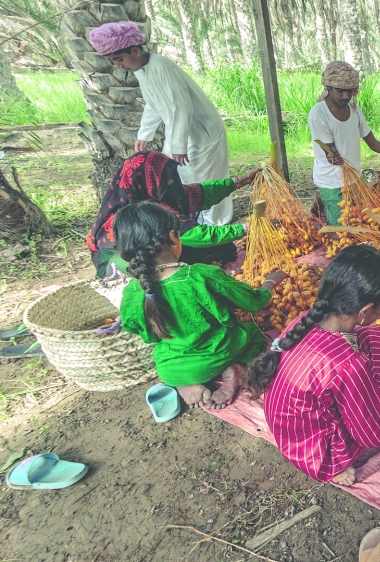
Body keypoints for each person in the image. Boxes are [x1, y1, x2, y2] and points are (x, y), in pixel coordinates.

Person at [245, 245, 380, 486]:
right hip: (315, 451)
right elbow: (373, 433)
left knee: (369, 338)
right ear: (364, 311)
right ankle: (335, 467)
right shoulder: (347, 366)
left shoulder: (306, 320)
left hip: (290, 426)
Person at [115, 201, 286, 410]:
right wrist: (269, 282)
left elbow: (136, 328)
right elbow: (254, 302)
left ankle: (185, 384)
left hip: (171, 368)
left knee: (170, 354)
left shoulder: (132, 291)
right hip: (218, 355)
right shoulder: (201, 276)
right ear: (173, 237)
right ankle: (236, 369)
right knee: (252, 333)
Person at [89, 21, 233, 226]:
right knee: (181, 175)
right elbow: (153, 103)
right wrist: (144, 134)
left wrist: (178, 145)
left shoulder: (162, 66)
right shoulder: (141, 70)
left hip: (201, 131)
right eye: (114, 61)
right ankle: (194, 222)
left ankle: (217, 224)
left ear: (136, 51)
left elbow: (182, 107)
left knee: (206, 176)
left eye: (120, 59)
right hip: (179, 131)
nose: (118, 65)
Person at [87, 151, 259, 278]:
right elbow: (196, 235)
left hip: (150, 253)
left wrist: (238, 182)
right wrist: (247, 228)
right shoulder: (147, 211)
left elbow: (194, 192)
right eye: (167, 181)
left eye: (171, 178)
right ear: (149, 181)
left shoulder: (152, 193)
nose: (171, 183)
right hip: (123, 265)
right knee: (221, 249)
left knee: (220, 247)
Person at [308, 61, 380, 226]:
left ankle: (322, 200)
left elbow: (373, 143)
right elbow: (329, 153)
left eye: (350, 91)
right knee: (344, 227)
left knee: (366, 219)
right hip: (331, 179)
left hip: (354, 177)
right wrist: (332, 156)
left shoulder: (354, 111)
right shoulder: (318, 114)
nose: (345, 96)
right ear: (328, 88)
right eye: (340, 91)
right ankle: (324, 197)